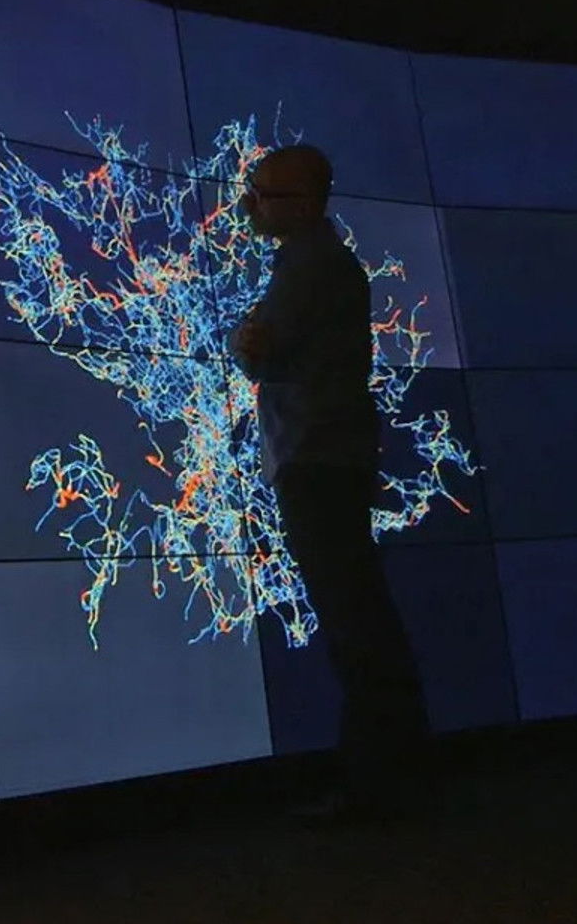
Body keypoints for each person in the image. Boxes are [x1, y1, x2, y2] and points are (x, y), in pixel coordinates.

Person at [228, 144, 429, 819]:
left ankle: (378, 788)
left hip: (316, 460)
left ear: (307, 204)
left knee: (354, 625)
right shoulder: (316, 263)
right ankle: (390, 778)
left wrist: (247, 344)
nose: (250, 206)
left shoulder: (311, 267)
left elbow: (260, 352)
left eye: (264, 195)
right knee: (359, 618)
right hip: (329, 457)